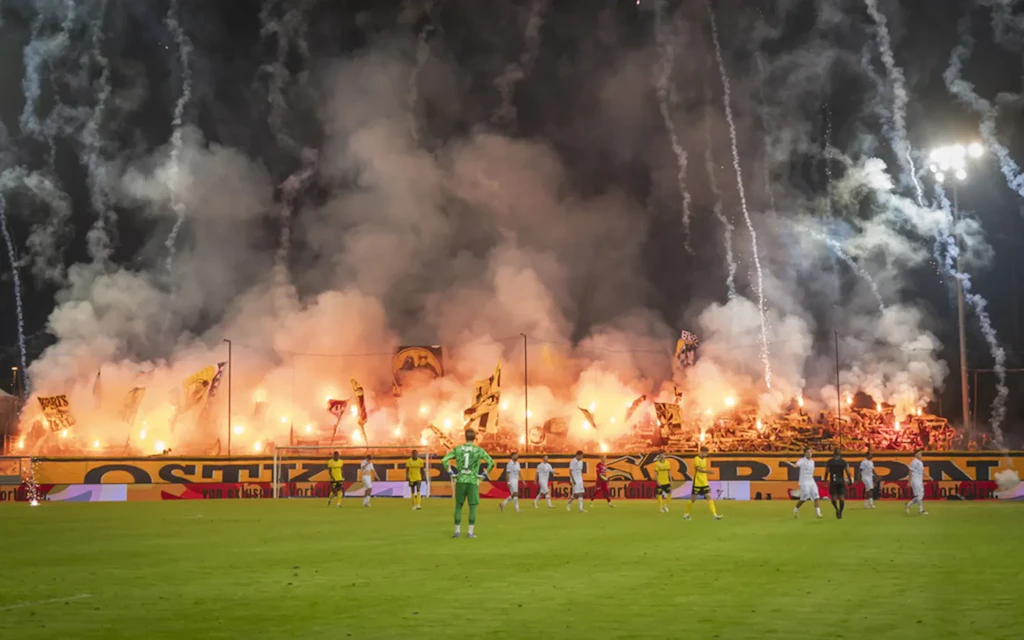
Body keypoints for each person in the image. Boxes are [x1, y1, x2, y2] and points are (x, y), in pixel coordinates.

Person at [441, 429, 496, 538]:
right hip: (472, 481)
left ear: (465, 437)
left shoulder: (458, 449)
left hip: (460, 480)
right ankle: (470, 532)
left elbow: (444, 460)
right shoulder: (478, 450)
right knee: (473, 507)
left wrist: (451, 472)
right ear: (475, 438)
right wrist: (483, 476)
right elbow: (491, 463)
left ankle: (457, 532)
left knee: (458, 506)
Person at [685, 446, 722, 520]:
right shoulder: (696, 458)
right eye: (705, 453)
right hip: (697, 482)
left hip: (704, 482)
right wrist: (709, 472)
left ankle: (715, 515)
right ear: (701, 452)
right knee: (693, 499)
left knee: (709, 497)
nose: (706, 455)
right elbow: (699, 469)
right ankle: (686, 514)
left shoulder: (704, 459)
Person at [784, 447, 822, 518]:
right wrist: (789, 463)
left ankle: (818, 513)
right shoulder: (802, 460)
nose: (809, 454)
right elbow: (796, 466)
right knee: (804, 498)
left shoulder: (812, 462)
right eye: (808, 452)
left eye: (810, 452)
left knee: (816, 496)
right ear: (805, 453)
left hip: (811, 481)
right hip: (804, 482)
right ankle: (795, 510)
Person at [824, 448, 853, 519]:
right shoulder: (843, 462)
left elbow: (827, 471)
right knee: (842, 498)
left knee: (833, 497)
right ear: (840, 454)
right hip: (841, 481)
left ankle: (836, 509)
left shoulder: (830, 462)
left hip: (833, 481)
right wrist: (850, 480)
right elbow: (848, 472)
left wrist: (825, 480)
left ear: (833, 453)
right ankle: (840, 511)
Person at [905, 449, 928, 516]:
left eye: (921, 453)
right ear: (915, 455)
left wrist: (928, 477)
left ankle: (908, 505)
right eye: (919, 453)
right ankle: (921, 510)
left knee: (921, 496)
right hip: (915, 481)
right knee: (919, 496)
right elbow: (910, 471)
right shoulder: (914, 462)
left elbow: (922, 471)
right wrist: (909, 481)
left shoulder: (921, 462)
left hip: (920, 481)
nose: (920, 455)